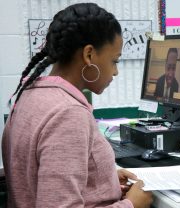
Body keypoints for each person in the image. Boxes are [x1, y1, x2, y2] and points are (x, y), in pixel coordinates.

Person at [1, 3, 152, 208]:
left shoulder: (29, 95)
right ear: (89, 55)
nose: (115, 72)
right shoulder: (68, 113)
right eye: (114, 61)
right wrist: (131, 205)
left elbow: (37, 178)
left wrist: (103, 180)